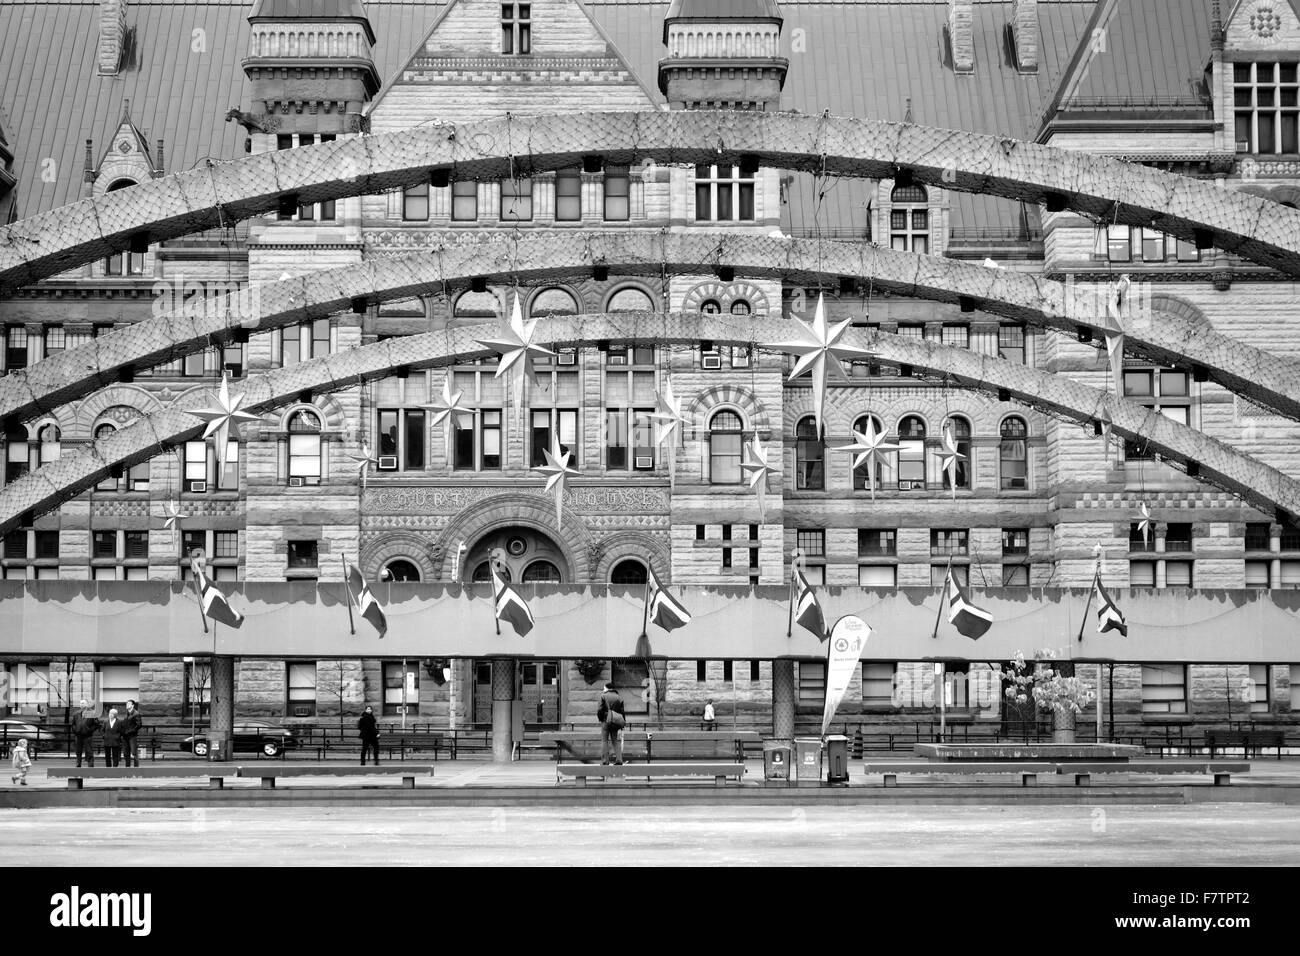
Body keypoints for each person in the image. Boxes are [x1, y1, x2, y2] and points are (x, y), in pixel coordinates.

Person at [596, 682, 626, 766]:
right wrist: (623, 723)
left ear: (607, 688)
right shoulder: (619, 697)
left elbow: (599, 710)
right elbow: (622, 712)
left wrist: (601, 718)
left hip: (605, 720)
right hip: (615, 721)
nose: (603, 689)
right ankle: (619, 760)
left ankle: (605, 761)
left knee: (604, 740)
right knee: (615, 740)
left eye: (604, 688)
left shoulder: (603, 696)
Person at [72, 699, 100, 768]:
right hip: (78, 736)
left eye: (83, 703)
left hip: (87, 736)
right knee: (78, 751)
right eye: (81, 703)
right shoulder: (76, 714)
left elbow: (96, 724)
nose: (81, 704)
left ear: (87, 704)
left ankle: (90, 765)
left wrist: (90, 730)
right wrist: (75, 730)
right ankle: (78, 764)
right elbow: (73, 724)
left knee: (89, 751)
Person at [122, 699, 142, 768]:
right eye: (126, 704)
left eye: (129, 704)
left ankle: (136, 768)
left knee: (134, 752)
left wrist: (131, 731)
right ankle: (128, 768)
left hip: (132, 736)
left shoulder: (136, 714)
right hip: (125, 737)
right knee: (126, 753)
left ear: (133, 705)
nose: (127, 705)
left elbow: (139, 725)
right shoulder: (127, 714)